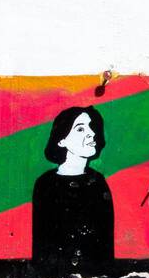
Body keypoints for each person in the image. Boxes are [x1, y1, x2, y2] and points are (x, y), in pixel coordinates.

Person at [31, 106, 115, 265]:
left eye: (91, 127)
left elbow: (105, 244)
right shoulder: (45, 184)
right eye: (80, 129)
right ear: (61, 140)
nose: (91, 133)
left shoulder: (98, 182)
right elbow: (41, 242)